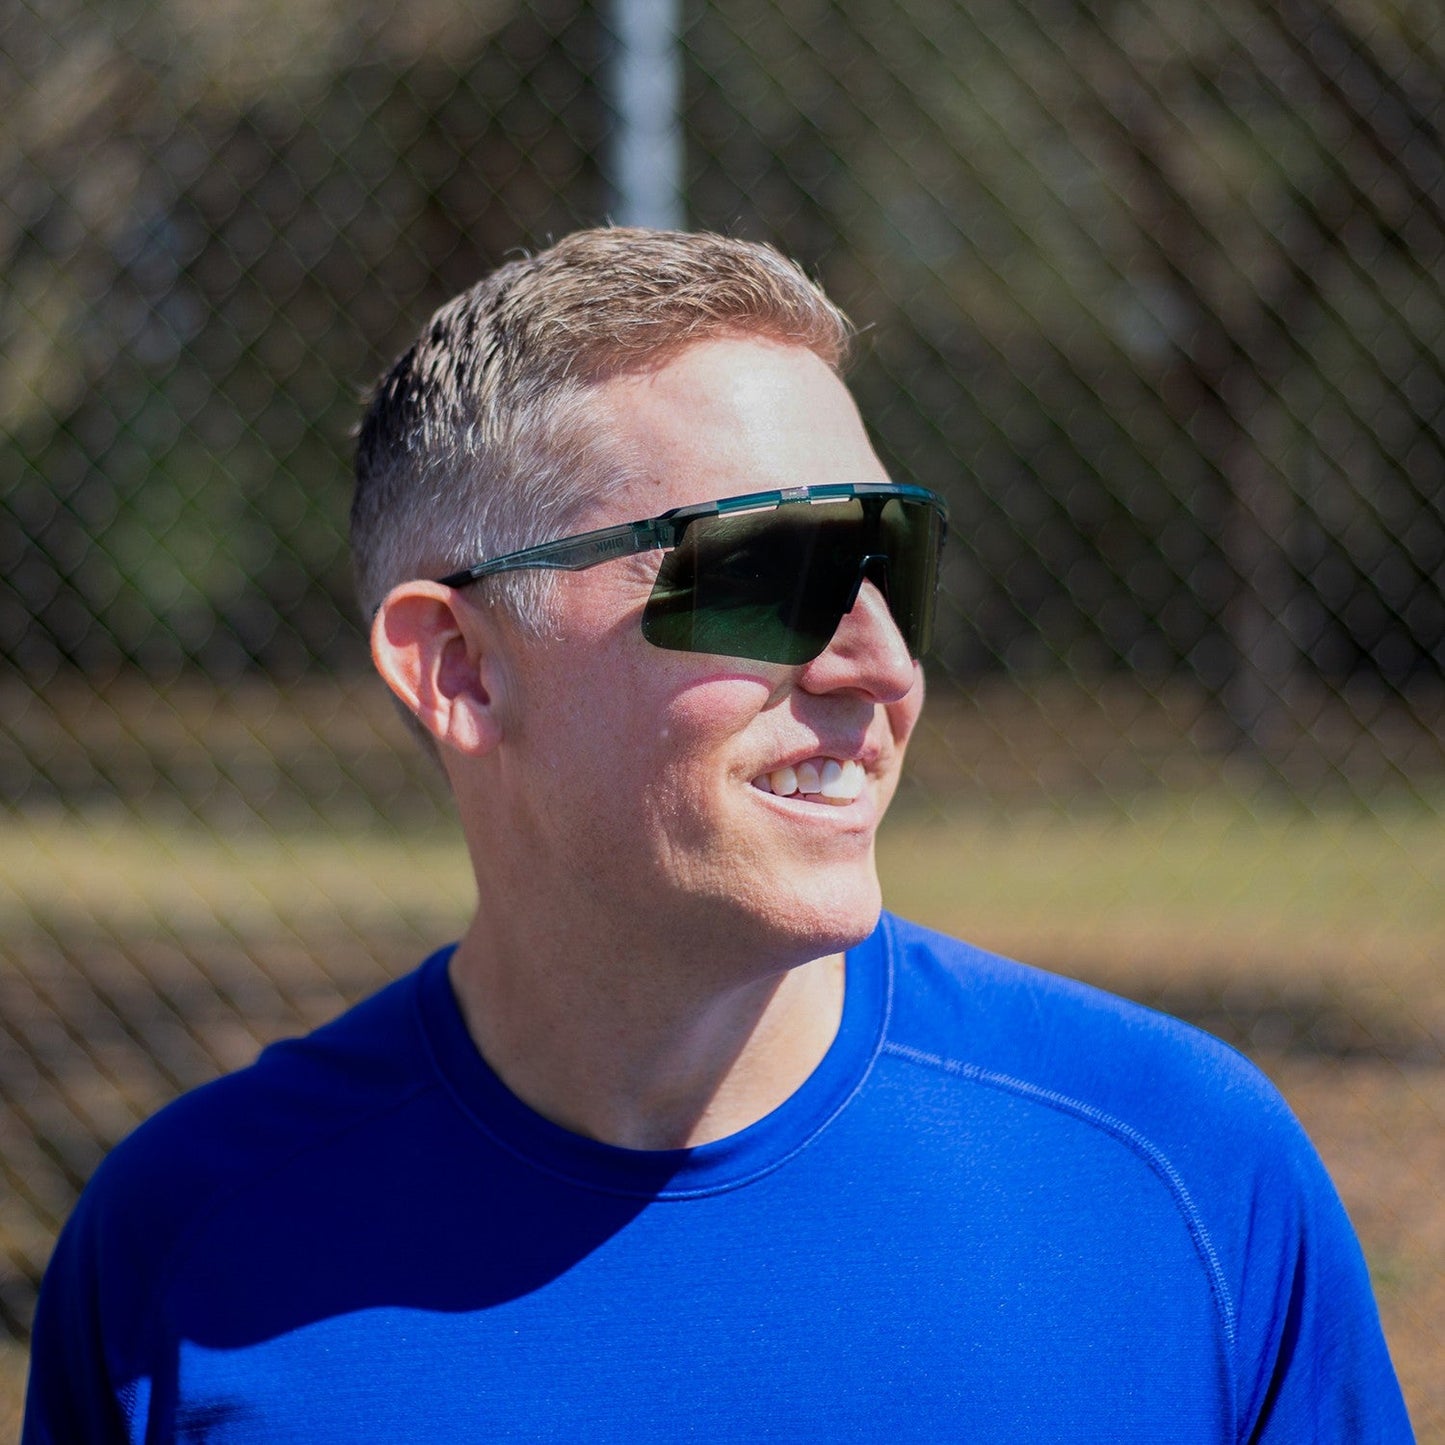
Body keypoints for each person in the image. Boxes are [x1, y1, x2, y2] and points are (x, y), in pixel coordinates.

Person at [24, 228, 1411, 1442]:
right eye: (766, 570)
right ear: (458, 666)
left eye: (890, 562)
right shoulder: (189, 1254)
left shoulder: (1179, 1178)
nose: (877, 660)